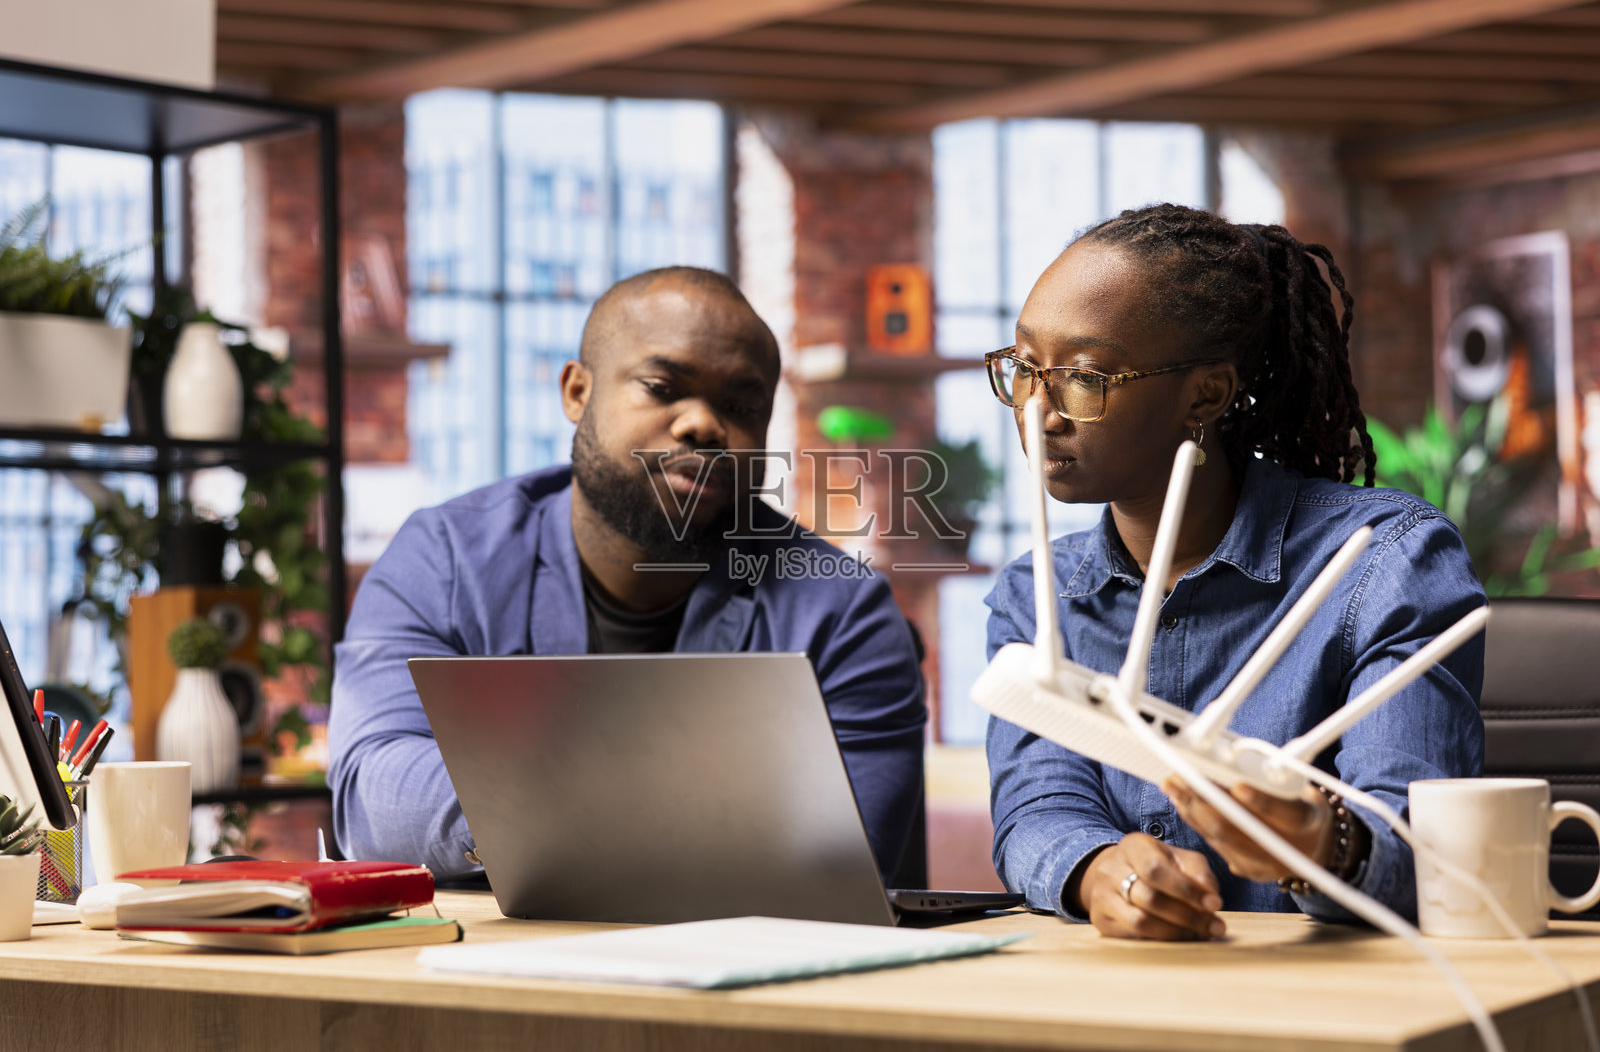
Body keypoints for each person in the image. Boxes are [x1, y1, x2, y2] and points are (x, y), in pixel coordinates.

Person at [983, 204, 1485, 941]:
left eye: (1083, 378)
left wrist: (1320, 840)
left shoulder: (1384, 563)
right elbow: (1039, 805)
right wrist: (1101, 873)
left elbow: (1421, 845)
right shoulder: (1037, 597)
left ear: (1207, 394)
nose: (1039, 411)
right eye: (1025, 368)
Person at [329, 266, 927, 882]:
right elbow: (371, 797)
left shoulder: (842, 610)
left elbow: (841, 864)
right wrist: (639, 808)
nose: (704, 425)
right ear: (577, 393)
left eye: (742, 406)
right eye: (664, 386)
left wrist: (527, 801)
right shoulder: (445, 561)